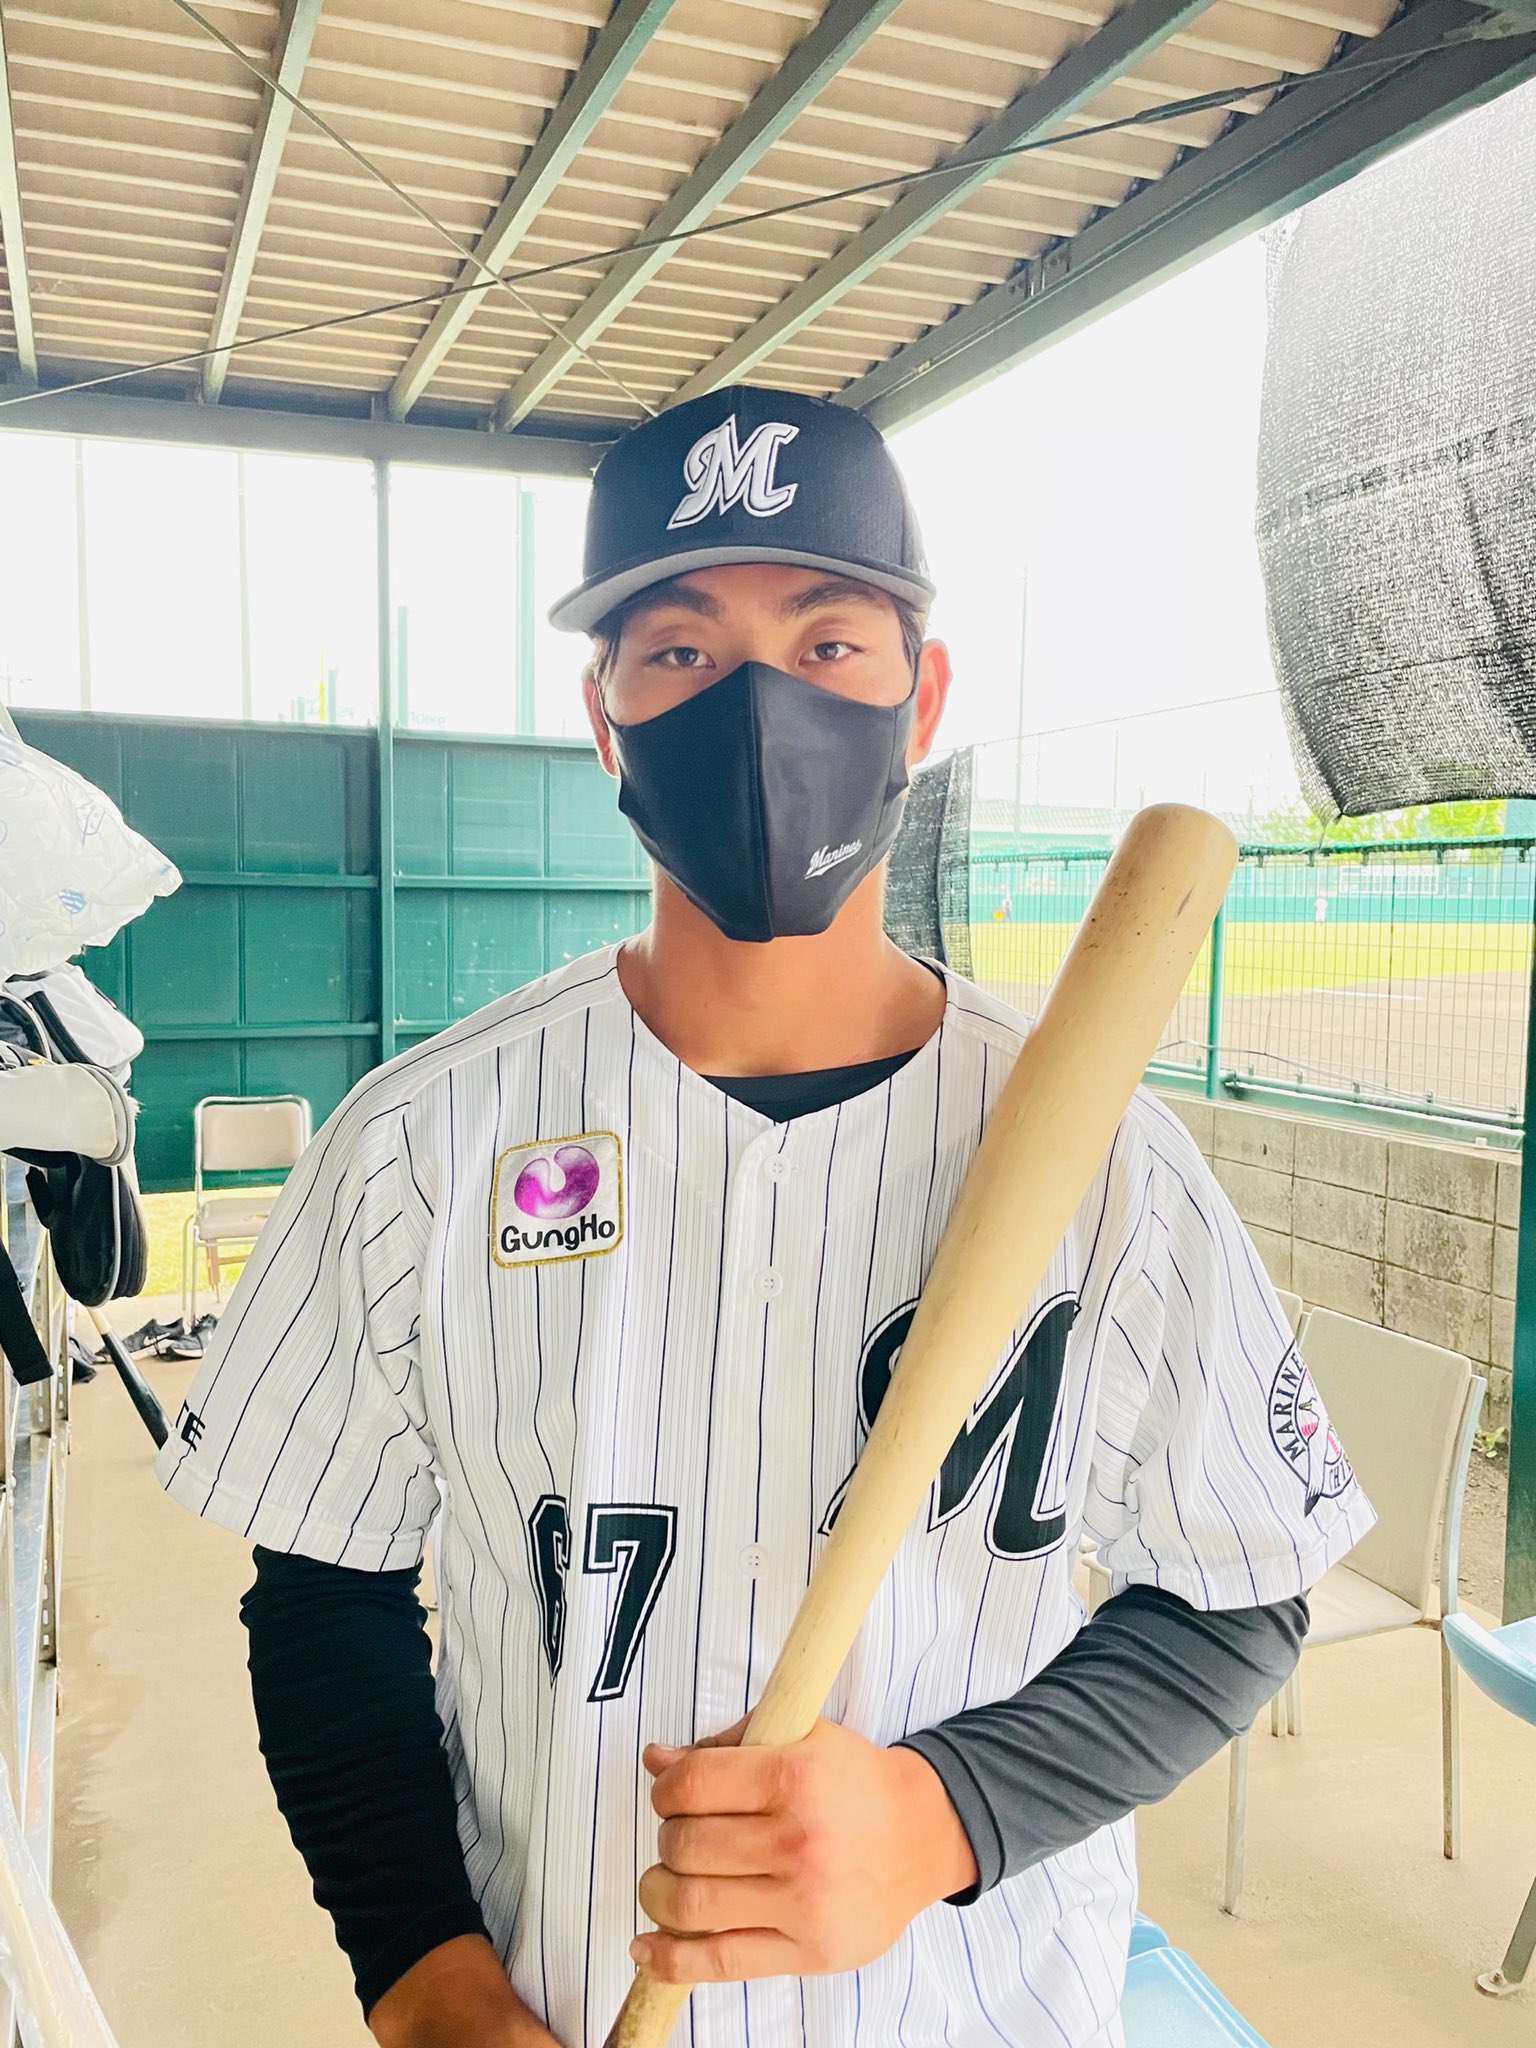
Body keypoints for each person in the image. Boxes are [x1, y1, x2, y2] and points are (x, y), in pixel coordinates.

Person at [157, 387, 1373, 2048]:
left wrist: (943, 1815)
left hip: (976, 2013)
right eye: (679, 651)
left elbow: (1241, 1590)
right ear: (604, 716)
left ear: (920, 698)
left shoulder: (1110, 1163)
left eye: (826, 642)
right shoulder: (417, 1149)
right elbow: (325, 1599)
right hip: (564, 2000)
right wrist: (425, 1979)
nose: (756, 706)